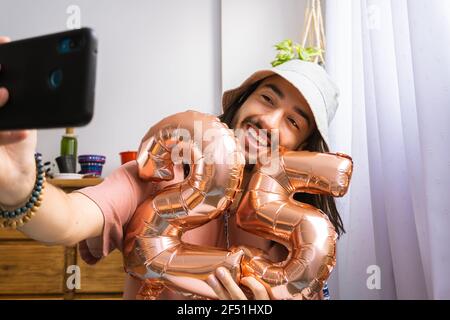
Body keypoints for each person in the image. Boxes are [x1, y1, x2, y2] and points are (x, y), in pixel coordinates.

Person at [0, 35, 342, 300]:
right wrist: (20, 187)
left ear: (302, 148)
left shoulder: (298, 238)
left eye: (293, 122)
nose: (268, 120)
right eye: (267, 98)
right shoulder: (160, 175)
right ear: (243, 100)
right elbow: (66, 221)